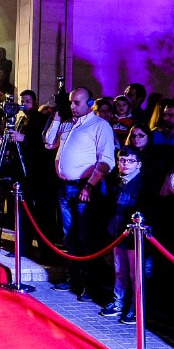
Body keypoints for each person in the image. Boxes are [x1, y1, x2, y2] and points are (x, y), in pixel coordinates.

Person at [50, 87, 117, 296]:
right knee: (69, 236)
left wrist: (89, 186)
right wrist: (56, 119)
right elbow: (48, 143)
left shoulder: (100, 126)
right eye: (70, 102)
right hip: (65, 187)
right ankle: (74, 280)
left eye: (76, 102)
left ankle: (91, 284)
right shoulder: (69, 124)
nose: (72, 106)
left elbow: (107, 160)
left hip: (84, 188)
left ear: (90, 103)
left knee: (86, 236)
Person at [100, 147, 153, 323]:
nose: (125, 164)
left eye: (130, 161)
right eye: (122, 160)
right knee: (120, 271)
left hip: (135, 236)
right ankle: (118, 303)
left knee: (136, 274)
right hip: (118, 233)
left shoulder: (144, 183)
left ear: (139, 164)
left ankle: (136, 308)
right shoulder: (115, 180)